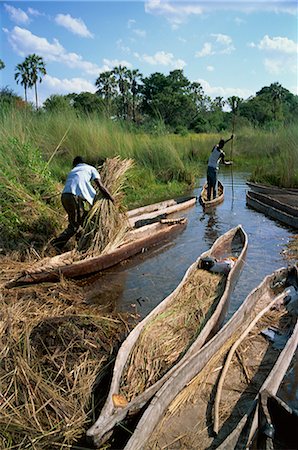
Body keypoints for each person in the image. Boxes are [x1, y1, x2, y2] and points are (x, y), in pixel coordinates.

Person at [51, 156, 114, 251]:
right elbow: (100, 186)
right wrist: (111, 198)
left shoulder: (73, 171)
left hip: (65, 197)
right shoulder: (91, 168)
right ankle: (56, 244)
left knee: (81, 219)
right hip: (73, 196)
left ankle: (80, 243)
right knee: (75, 226)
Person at [207, 135, 233, 201]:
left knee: (209, 185)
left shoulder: (214, 147)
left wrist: (229, 139)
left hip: (209, 168)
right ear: (223, 146)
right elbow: (224, 163)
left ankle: (208, 198)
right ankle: (214, 199)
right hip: (214, 170)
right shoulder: (222, 154)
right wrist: (229, 163)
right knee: (214, 185)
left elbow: (221, 143)